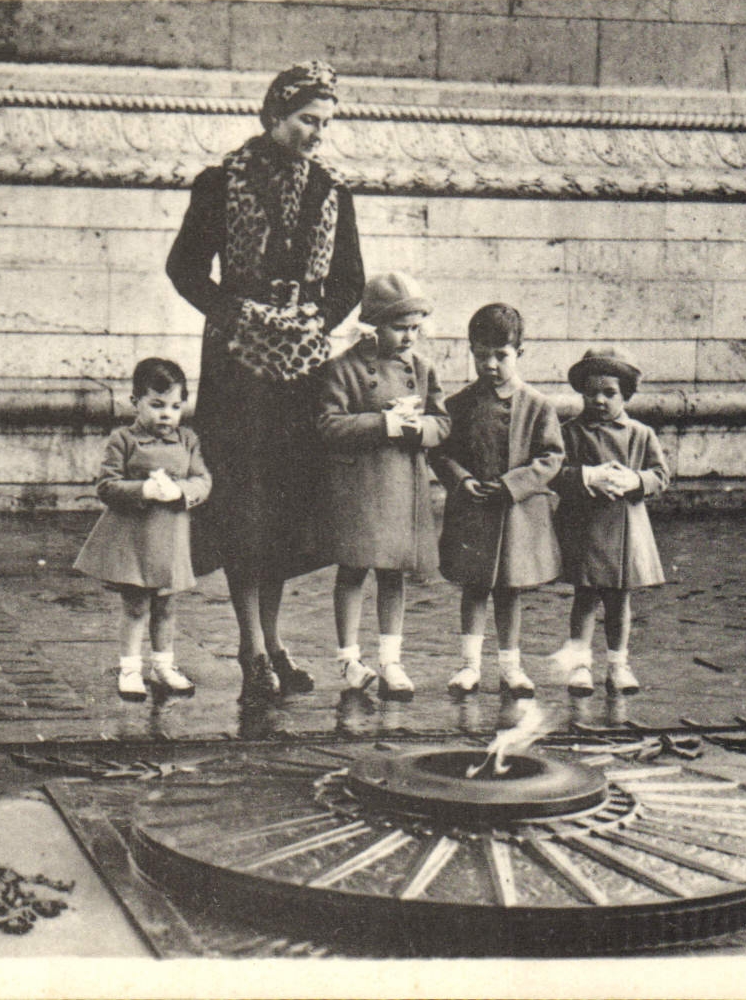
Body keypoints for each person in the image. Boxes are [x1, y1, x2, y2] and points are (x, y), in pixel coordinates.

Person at [165, 60, 365, 702]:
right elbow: (186, 268)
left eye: (325, 124)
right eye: (308, 121)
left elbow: (349, 281)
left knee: (283, 508)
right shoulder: (221, 183)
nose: (317, 134)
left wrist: (315, 319)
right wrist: (236, 312)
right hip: (237, 368)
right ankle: (251, 647)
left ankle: (274, 642)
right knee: (242, 502)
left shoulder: (333, 192)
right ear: (274, 116)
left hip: (301, 372)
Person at [316, 273, 450, 700]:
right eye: (399, 327)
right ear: (373, 325)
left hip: (402, 484)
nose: (410, 336)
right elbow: (327, 424)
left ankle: (391, 661)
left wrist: (419, 428)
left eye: (415, 327)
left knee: (394, 574)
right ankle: (349, 659)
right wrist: (382, 423)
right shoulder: (343, 368)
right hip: (359, 487)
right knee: (353, 571)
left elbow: (443, 422)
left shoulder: (423, 369)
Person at [431, 303, 565, 698]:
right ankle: (469, 666)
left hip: (517, 514)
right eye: (480, 354)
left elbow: (551, 456)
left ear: (519, 353)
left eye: (501, 355)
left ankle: (511, 667)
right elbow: (441, 452)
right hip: (472, 512)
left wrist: (513, 484)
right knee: (473, 588)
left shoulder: (538, 406)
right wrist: (461, 480)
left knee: (510, 591)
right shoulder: (457, 405)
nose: (489, 364)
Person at [74, 358, 212, 702]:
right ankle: (130, 668)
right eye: (156, 405)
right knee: (136, 607)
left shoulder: (188, 440)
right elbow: (106, 485)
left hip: (171, 538)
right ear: (135, 402)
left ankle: (163, 665)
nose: (167, 414)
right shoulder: (123, 440)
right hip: (135, 539)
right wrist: (142, 491)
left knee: (167, 607)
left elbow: (202, 479)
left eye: (175, 406)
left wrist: (183, 492)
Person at [543, 345, 672, 696]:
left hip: (625, 528)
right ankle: (580, 664)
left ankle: (618, 664)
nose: (599, 400)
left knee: (618, 601)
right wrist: (586, 476)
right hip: (583, 525)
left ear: (625, 395)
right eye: (591, 392)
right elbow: (553, 473)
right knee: (585, 597)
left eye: (609, 393)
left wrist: (636, 481)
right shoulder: (569, 432)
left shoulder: (640, 434)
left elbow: (661, 475)